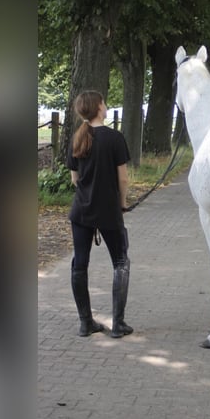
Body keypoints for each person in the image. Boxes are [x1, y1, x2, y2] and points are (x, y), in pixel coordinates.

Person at [67, 90, 133, 338]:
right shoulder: (114, 138)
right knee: (121, 262)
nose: (106, 106)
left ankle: (86, 323)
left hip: (81, 211)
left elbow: (75, 179)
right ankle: (118, 324)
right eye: (104, 103)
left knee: (79, 265)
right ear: (98, 108)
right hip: (108, 210)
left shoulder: (78, 138)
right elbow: (123, 179)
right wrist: (122, 203)